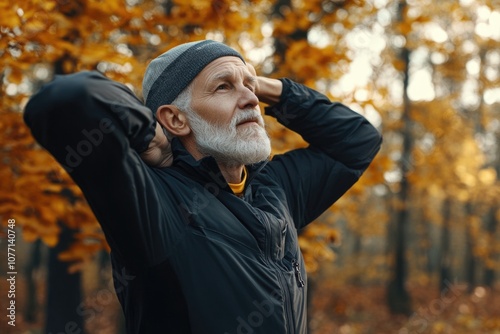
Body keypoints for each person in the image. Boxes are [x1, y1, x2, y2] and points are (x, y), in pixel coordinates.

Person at [24, 40, 382, 334]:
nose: (251, 100)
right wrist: (150, 135)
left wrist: (271, 88)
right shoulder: (157, 204)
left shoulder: (275, 189)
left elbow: (357, 141)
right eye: (224, 86)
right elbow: (66, 99)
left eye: (250, 86)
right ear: (176, 119)